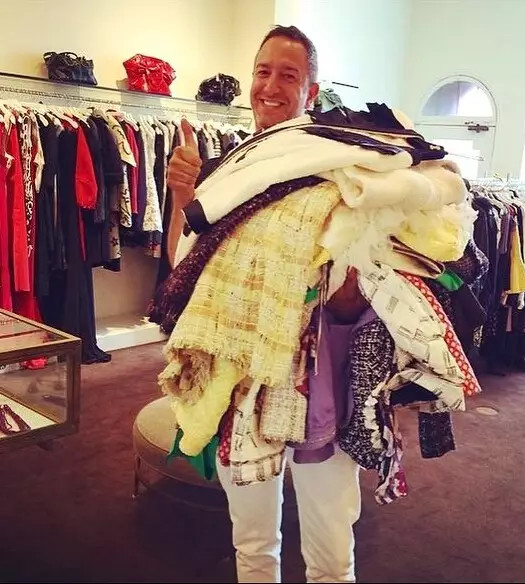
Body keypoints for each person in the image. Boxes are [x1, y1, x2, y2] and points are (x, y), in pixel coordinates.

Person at [166, 25, 363, 583]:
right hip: (238, 376)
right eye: (263, 71)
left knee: (331, 552)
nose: (270, 86)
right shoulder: (231, 172)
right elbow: (181, 267)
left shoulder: (341, 166)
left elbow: (360, 294)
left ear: (311, 91)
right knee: (252, 542)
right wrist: (184, 196)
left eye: (288, 75)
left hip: (319, 381)